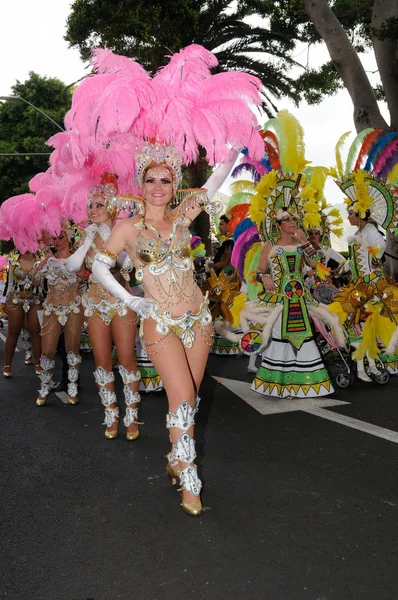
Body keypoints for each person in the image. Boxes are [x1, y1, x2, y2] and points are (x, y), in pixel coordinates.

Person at [92, 142, 231, 516]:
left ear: (175, 184)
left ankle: (175, 456)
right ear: (140, 183)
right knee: (183, 397)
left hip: (198, 320)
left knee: (190, 398)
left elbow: (215, 181)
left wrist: (233, 148)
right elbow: (100, 268)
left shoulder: (184, 218)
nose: (158, 186)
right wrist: (132, 300)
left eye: (166, 180)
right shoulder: (127, 228)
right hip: (160, 323)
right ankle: (189, 479)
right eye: (150, 179)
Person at [66, 173, 142, 440]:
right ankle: (111, 414)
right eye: (91, 205)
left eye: (99, 204)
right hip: (95, 304)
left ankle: (132, 416)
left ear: (111, 208)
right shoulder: (87, 236)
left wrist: (110, 236)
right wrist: (88, 240)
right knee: (101, 363)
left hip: (122, 302)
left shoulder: (122, 233)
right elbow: (72, 266)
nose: (93, 209)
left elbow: (124, 264)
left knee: (126, 360)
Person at [251, 208, 339, 398]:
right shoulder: (270, 245)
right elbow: (258, 269)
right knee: (281, 339)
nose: (292, 222)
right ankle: (280, 385)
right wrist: (264, 275)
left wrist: (306, 243)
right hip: (280, 302)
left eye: (295, 219)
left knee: (304, 338)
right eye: (287, 219)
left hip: (300, 300)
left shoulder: (302, 245)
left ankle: (305, 384)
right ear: (278, 225)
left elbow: (318, 265)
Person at [33, 225, 85, 406]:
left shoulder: (78, 259)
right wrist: (41, 267)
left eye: (61, 236)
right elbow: (36, 281)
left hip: (73, 307)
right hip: (52, 308)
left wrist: (74, 267)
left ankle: (72, 387)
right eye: (54, 237)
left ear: (69, 238)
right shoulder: (49, 260)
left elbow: (82, 276)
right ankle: (44, 387)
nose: (57, 240)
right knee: (47, 350)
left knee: (72, 350)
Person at [2, 250, 44, 378]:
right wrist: (4, 300)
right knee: (13, 332)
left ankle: (38, 363)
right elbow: (9, 283)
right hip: (16, 299)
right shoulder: (13, 259)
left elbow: (44, 282)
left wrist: (44, 298)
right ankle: (8, 364)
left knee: (36, 331)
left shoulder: (41, 259)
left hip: (35, 298)